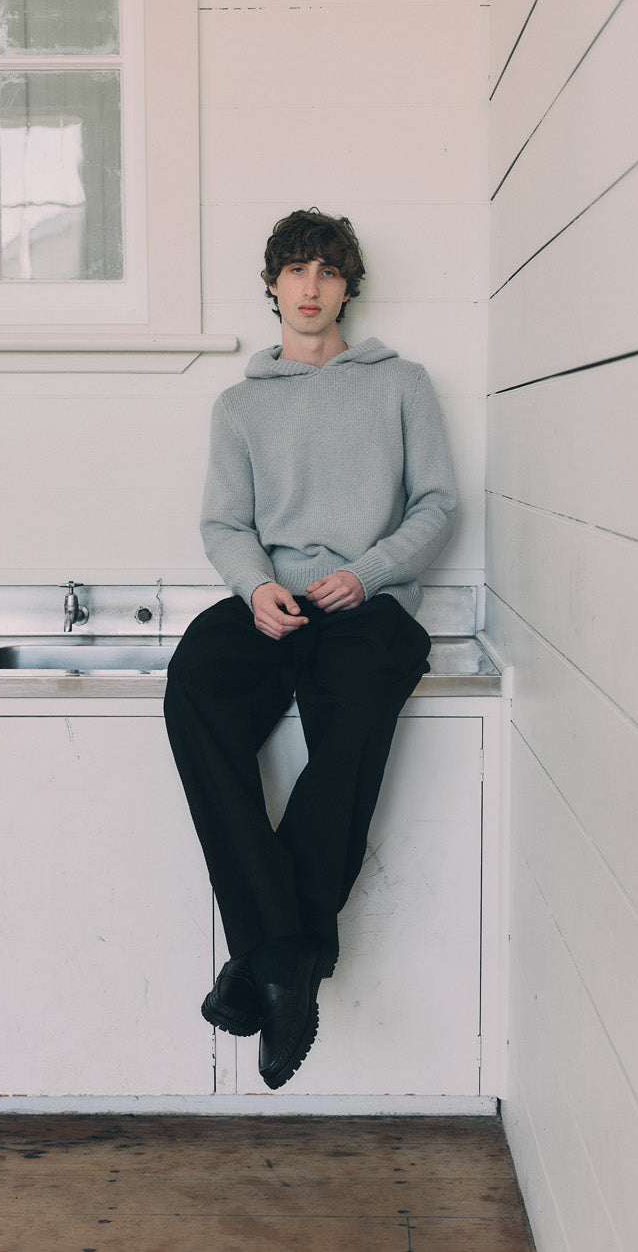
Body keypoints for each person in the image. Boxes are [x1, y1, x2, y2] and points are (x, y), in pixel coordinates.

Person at [164, 209, 457, 1090]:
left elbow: (437, 505)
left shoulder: (401, 384)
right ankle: (285, 958)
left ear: (346, 286)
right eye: (295, 268)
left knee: (361, 711)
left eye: (328, 269)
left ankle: (261, 964)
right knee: (194, 688)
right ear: (272, 285)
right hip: (270, 602)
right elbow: (224, 522)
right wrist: (256, 587)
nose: (311, 284)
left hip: (367, 605)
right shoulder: (242, 403)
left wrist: (367, 574)